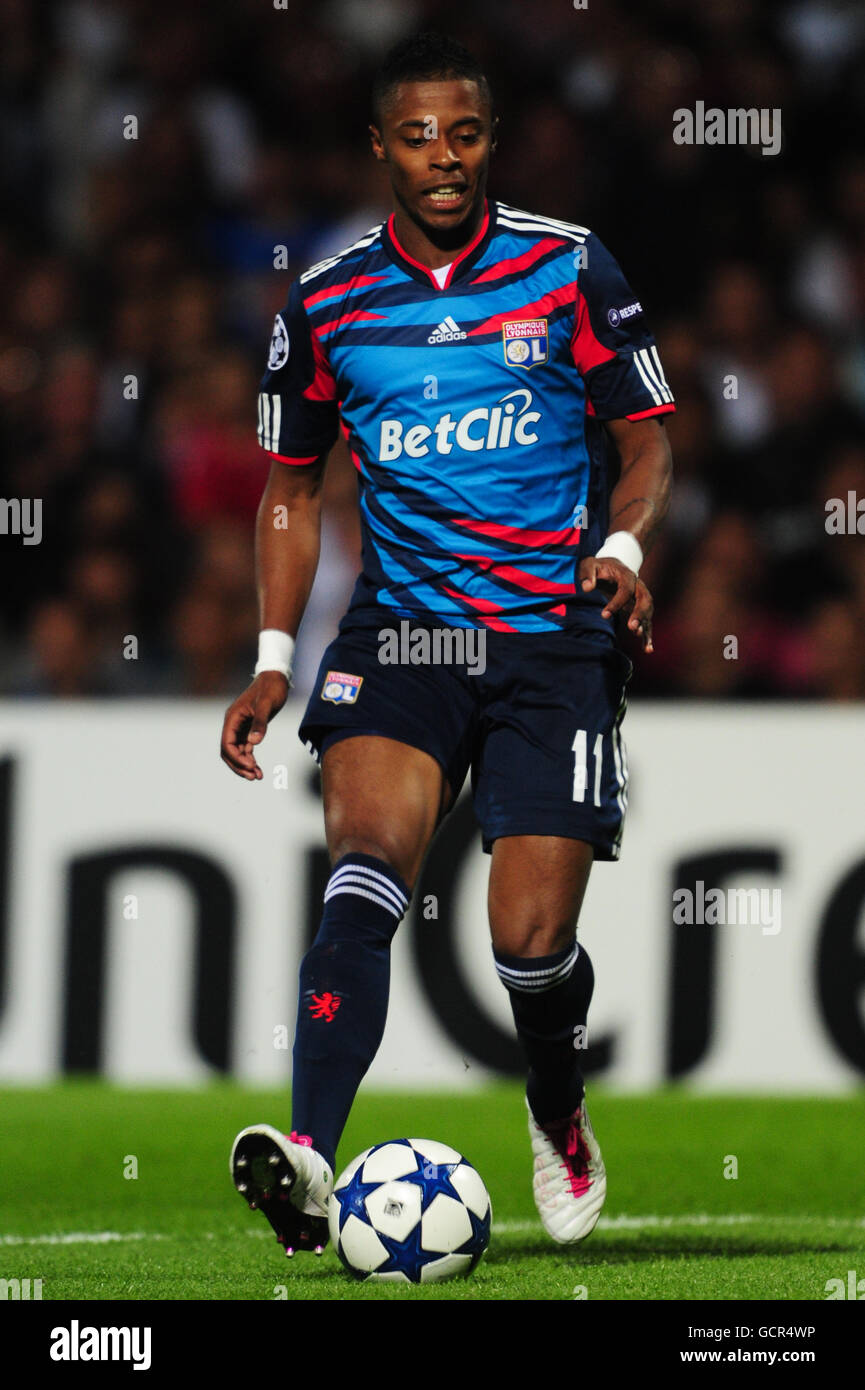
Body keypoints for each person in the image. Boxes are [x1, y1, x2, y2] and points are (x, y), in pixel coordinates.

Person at [220, 32, 674, 1259]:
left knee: (527, 946)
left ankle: (556, 1102)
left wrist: (624, 553)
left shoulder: (567, 266)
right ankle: (311, 1159)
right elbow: (287, 488)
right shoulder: (324, 300)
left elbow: (644, 439)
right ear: (380, 144)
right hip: (401, 635)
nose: (444, 158)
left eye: (464, 134)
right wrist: (273, 652)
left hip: (548, 639)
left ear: (490, 139)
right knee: (364, 865)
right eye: (418, 135)